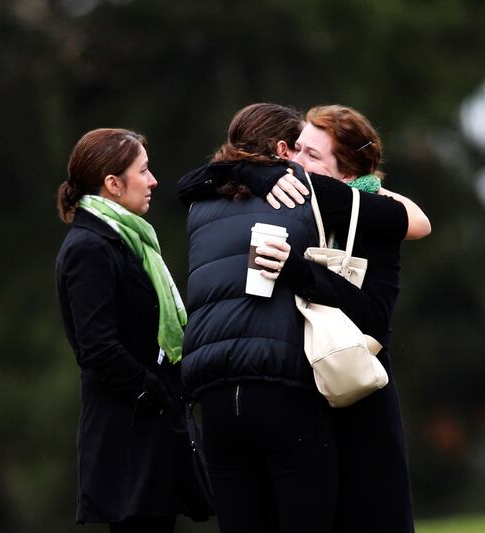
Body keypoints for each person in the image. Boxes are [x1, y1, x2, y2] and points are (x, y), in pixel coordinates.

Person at [178, 103, 428, 533]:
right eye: (295, 150)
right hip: (301, 396)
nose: (295, 161)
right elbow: (190, 184)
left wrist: (299, 271)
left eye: (310, 154)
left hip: (355, 398)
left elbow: (377, 312)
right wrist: (255, 173)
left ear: (347, 173)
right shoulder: (288, 197)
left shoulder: (356, 209)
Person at [179, 103, 337, 533]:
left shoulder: (200, 204)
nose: (304, 157)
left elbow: (189, 182)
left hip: (213, 390)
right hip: (280, 381)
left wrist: (246, 171)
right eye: (299, 148)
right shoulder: (303, 190)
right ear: (283, 149)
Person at [55, 128, 210, 533]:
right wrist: (152, 393)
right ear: (113, 183)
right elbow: (97, 347)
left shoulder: (127, 241)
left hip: (149, 433)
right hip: (128, 437)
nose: (153, 180)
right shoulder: (89, 247)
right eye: (143, 170)